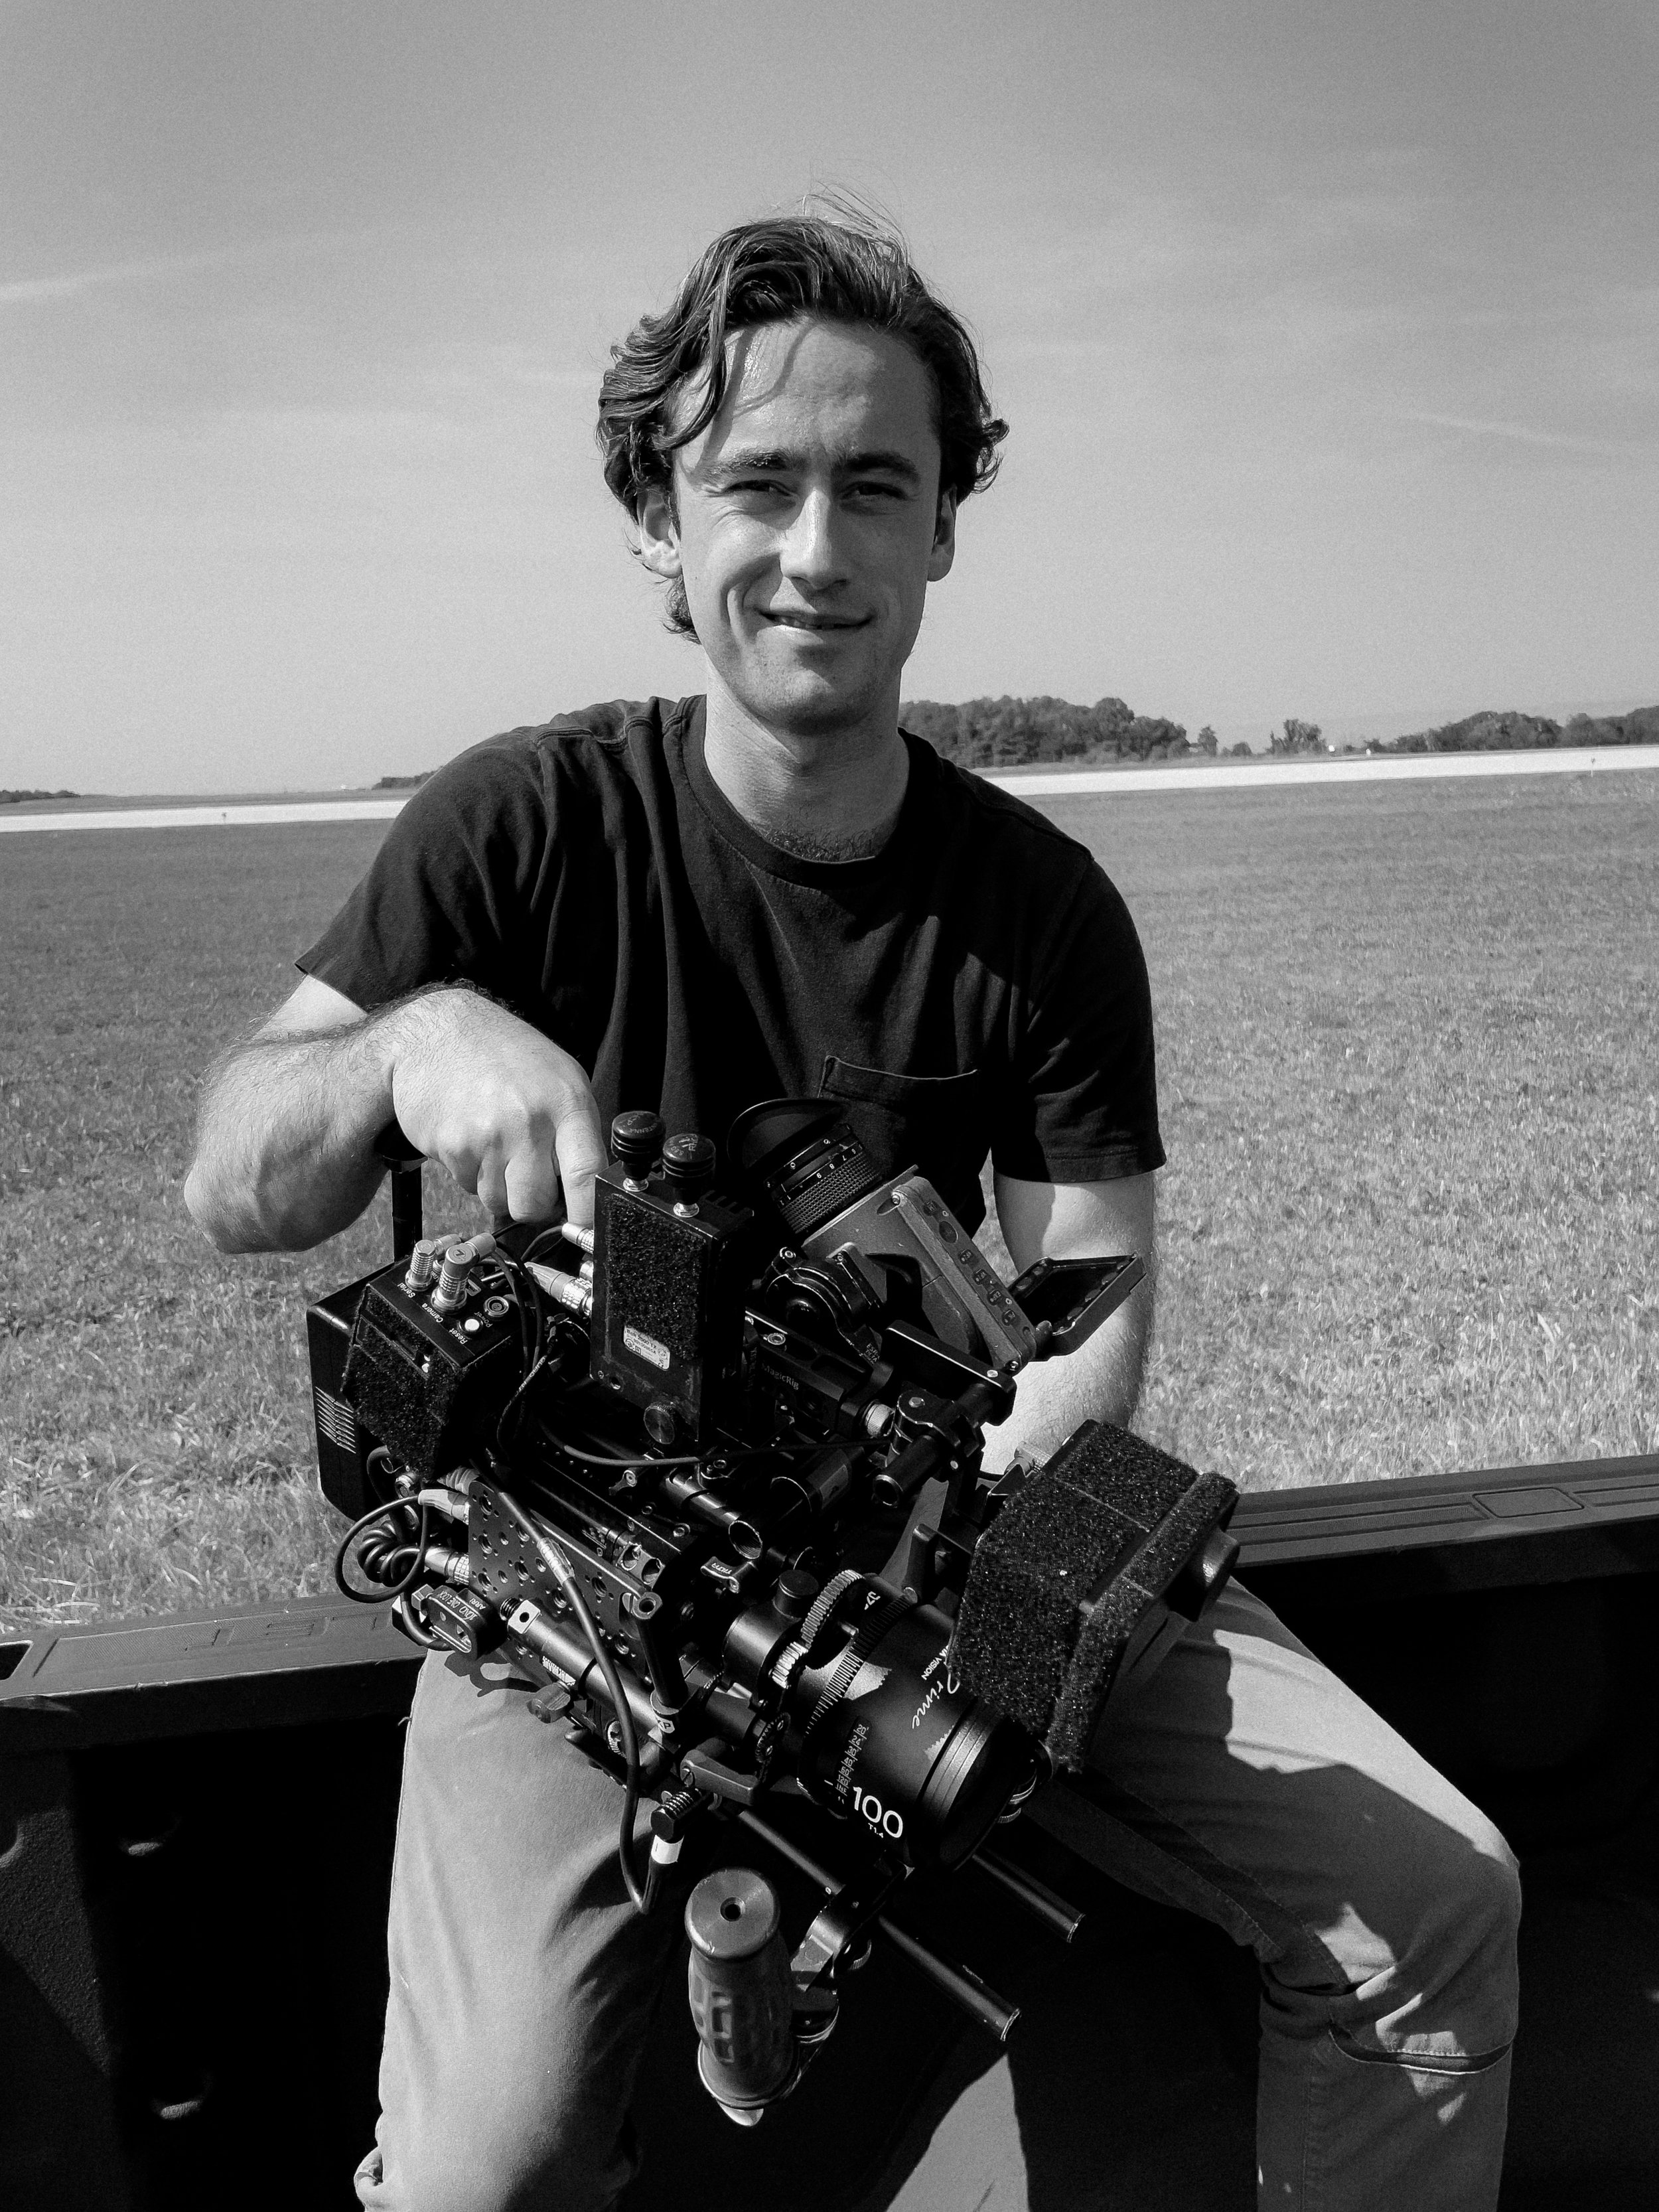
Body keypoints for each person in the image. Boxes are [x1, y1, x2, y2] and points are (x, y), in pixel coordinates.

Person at [184, 212, 1520, 2212]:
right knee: (480, 2173)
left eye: (871, 488)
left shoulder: (1037, 910)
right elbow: (233, 1180)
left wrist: (965, 1592)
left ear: (940, 531)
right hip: (577, 1570)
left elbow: (1087, 1324)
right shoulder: (524, 826)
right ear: (660, 516)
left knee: (1431, 1894)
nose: (812, 552)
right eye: (756, 486)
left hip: (916, 1561)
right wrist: (410, 1043)